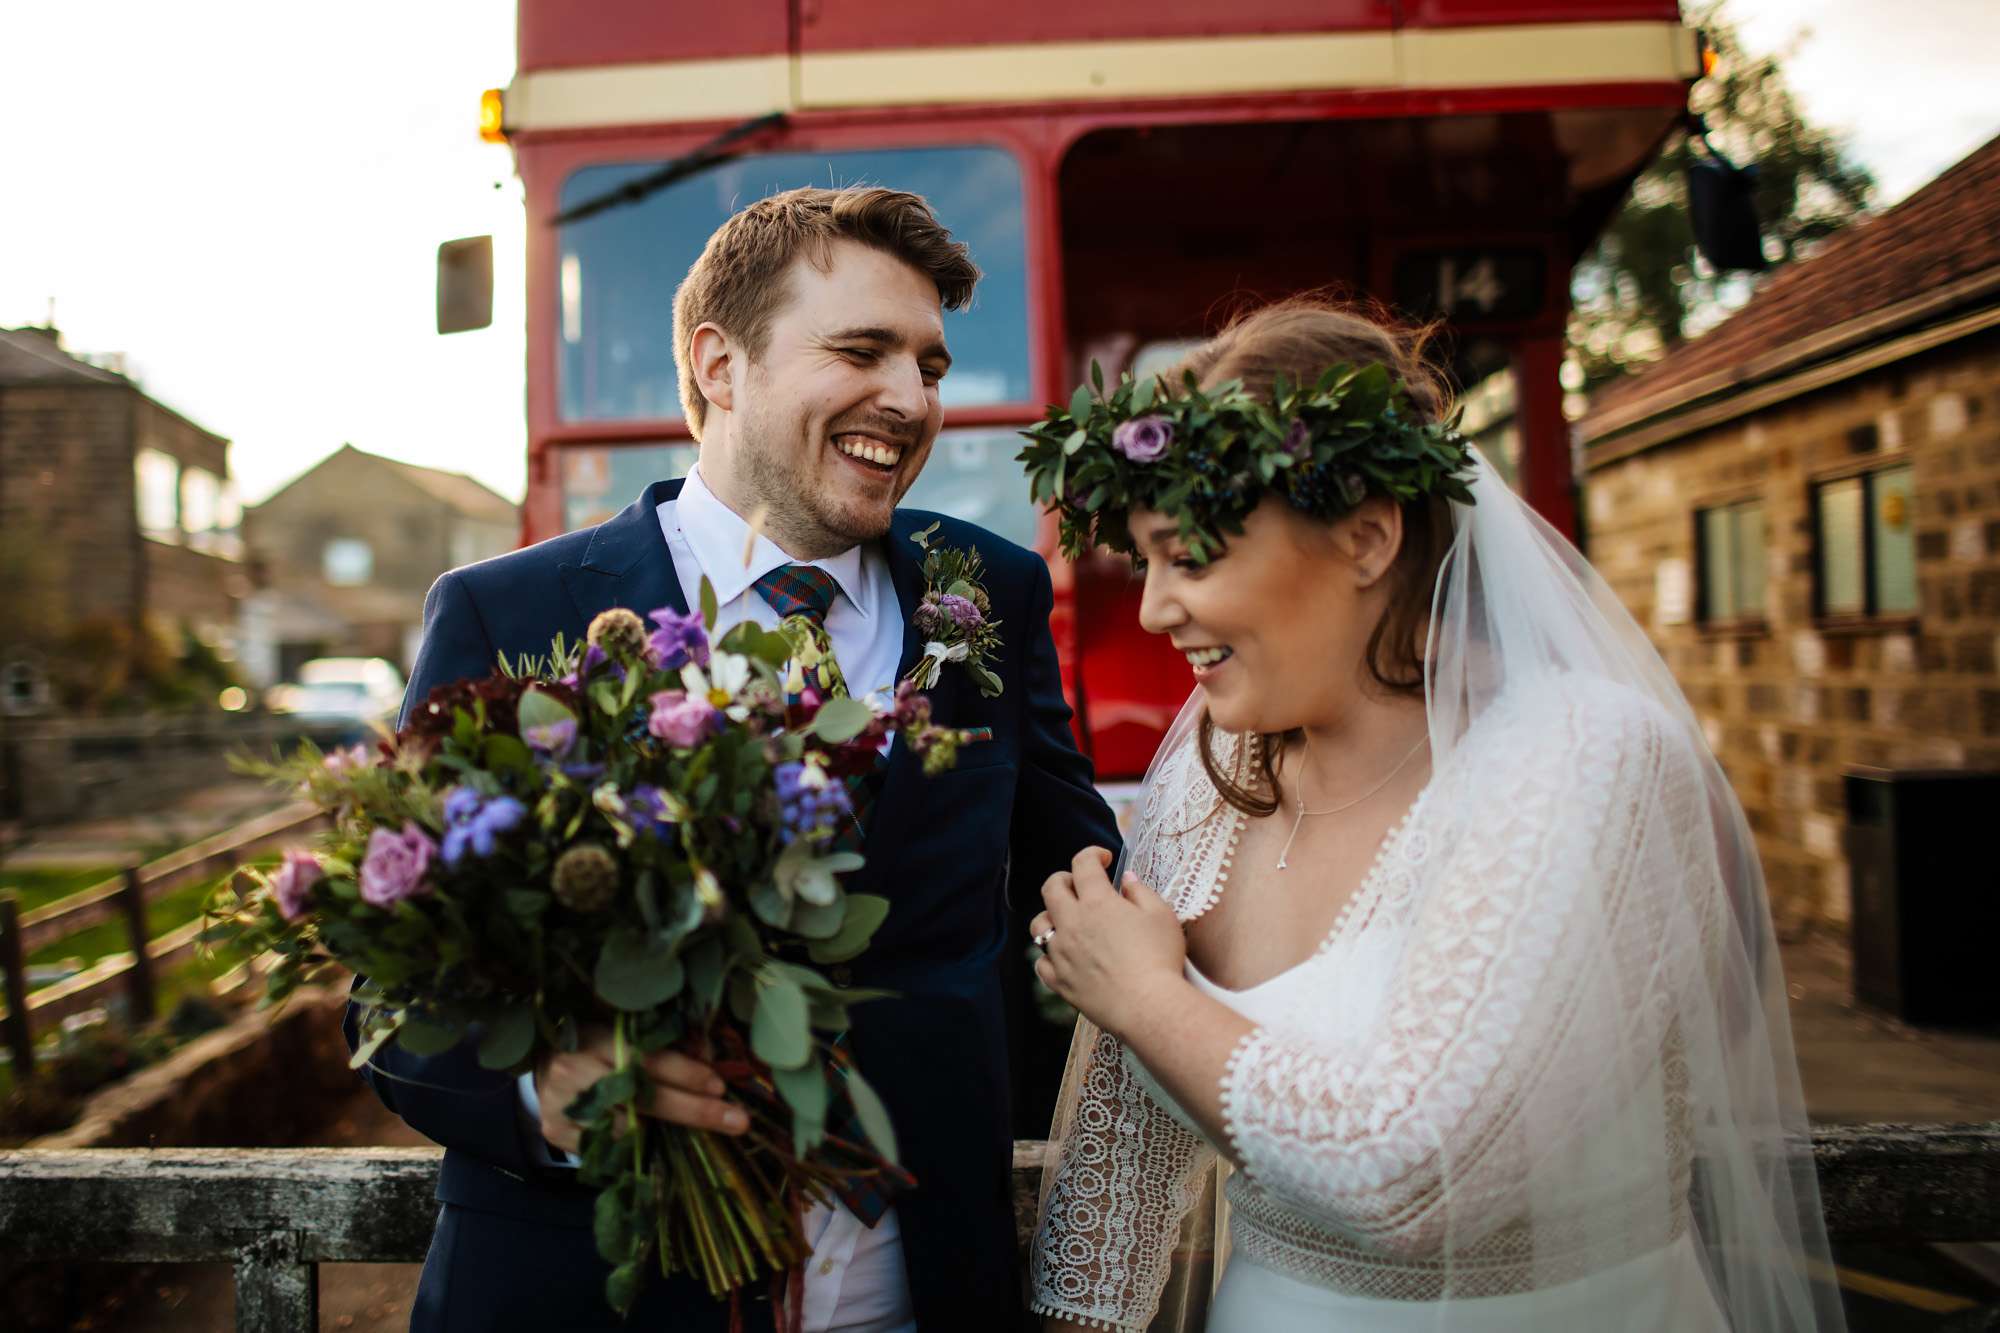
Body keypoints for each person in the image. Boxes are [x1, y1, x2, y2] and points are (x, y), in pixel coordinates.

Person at [349, 185, 1118, 1333]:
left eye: (929, 365)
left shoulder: (987, 589)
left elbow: (1077, 865)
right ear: (719, 363)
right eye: (862, 350)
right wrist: (545, 1094)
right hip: (590, 1290)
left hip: (919, 1287)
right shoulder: (509, 612)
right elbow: (392, 993)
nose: (909, 400)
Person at [1024, 298, 1846, 1331]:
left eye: (1188, 557)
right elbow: (1126, 1162)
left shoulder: (1583, 756)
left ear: (1366, 538)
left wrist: (1141, 994)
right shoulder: (1206, 763)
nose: (1151, 609)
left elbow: (1416, 1178)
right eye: (1140, 562)